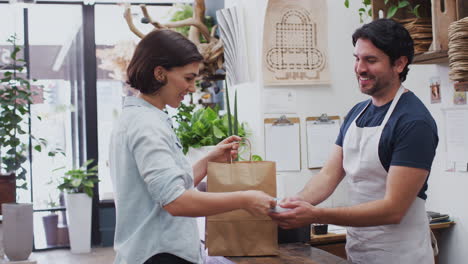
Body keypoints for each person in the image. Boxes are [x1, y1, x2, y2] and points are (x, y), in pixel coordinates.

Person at [269, 19, 438, 263]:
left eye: (371, 60)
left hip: (402, 256)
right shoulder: (358, 112)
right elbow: (328, 177)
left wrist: (316, 214)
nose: (359, 68)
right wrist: (294, 203)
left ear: (399, 64)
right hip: (359, 252)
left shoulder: (413, 122)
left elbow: (393, 209)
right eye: (357, 58)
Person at [109, 29, 276, 264]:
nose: (192, 88)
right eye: (188, 78)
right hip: (159, 255)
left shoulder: (145, 118)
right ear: (159, 73)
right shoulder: (146, 125)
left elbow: (169, 188)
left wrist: (209, 161)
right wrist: (245, 200)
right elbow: (176, 201)